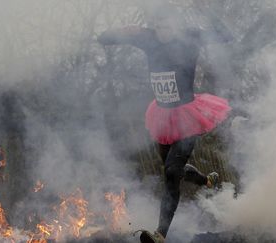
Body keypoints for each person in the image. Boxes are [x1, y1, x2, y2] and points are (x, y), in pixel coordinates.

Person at [98, 3, 233, 243]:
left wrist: (206, 12)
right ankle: (207, 180)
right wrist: (123, 30)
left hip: (187, 117)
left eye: (167, 25)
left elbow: (226, 35)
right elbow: (103, 39)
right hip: (162, 115)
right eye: (159, 26)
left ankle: (160, 234)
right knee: (173, 171)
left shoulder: (191, 36)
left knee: (171, 173)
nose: (163, 30)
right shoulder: (148, 38)